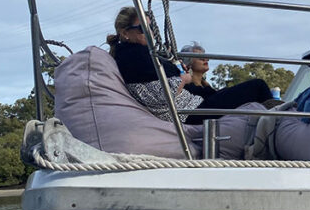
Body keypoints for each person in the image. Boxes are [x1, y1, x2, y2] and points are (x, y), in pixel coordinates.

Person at [107, 7, 271, 124]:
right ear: (125, 32)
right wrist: (183, 79)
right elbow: (159, 95)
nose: (150, 32)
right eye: (143, 28)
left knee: (245, 91)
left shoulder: (136, 53)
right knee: (257, 87)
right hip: (190, 113)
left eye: (150, 27)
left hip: (194, 105)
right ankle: (280, 126)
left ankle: (277, 124)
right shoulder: (132, 56)